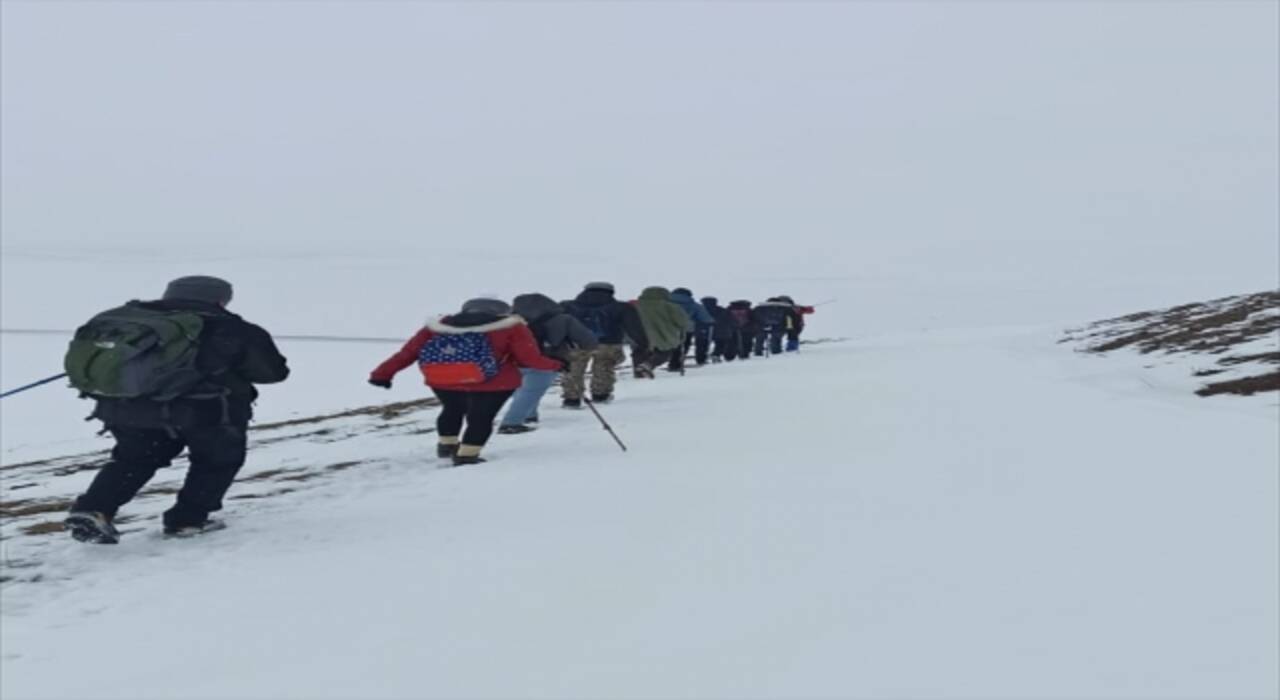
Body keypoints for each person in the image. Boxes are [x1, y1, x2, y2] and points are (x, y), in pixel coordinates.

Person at [63, 276, 289, 544]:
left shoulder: (131, 320)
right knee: (215, 462)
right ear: (220, 299)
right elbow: (273, 372)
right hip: (208, 412)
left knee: (133, 459)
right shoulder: (232, 328)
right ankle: (187, 520)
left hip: (128, 408)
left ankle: (93, 510)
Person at [369, 298, 560, 465]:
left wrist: (382, 374)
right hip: (494, 382)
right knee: (481, 417)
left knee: (452, 409)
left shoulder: (438, 326)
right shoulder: (512, 327)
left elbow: (408, 353)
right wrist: (556, 364)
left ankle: (447, 445)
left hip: (444, 379)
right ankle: (467, 455)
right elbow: (529, 359)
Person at [497, 293, 597, 433]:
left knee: (524, 389)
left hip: (516, 362)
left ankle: (529, 416)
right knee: (531, 391)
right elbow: (588, 341)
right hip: (548, 361)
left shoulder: (510, 322)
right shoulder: (563, 319)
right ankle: (511, 423)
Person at [560, 282, 649, 406]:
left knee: (573, 368)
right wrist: (643, 343)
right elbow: (634, 328)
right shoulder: (621, 307)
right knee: (604, 367)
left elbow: (558, 325)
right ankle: (601, 395)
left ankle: (571, 398)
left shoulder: (567, 306)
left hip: (576, 342)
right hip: (608, 343)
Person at [632, 286, 694, 375]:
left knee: (639, 351)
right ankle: (648, 365)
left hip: (638, 334)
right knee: (664, 352)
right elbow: (682, 321)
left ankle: (638, 371)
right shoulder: (670, 306)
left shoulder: (636, 305)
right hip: (663, 334)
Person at [668, 287, 715, 369]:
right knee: (684, 345)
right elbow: (705, 318)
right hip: (686, 328)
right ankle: (675, 363)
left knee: (671, 346)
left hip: (668, 328)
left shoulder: (665, 303)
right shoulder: (693, 305)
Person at [701, 296, 741, 362]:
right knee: (720, 344)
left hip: (703, 330)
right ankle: (716, 355)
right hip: (722, 331)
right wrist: (735, 326)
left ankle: (701, 358)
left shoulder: (701, 309)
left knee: (702, 345)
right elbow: (731, 320)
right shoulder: (721, 310)